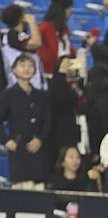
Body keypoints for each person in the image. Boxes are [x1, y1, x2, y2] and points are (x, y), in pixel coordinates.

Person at [0, 52, 51, 187]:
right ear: (14, 69)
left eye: (30, 66)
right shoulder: (8, 95)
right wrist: (6, 141)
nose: (27, 69)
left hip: (38, 149)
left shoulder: (41, 96)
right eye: (22, 65)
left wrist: (40, 139)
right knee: (22, 192)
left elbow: (47, 121)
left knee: (39, 188)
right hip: (19, 149)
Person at [2, 4, 47, 91]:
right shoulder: (13, 35)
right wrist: (32, 22)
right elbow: (37, 42)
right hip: (21, 85)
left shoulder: (17, 36)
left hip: (32, 84)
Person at [36, 0, 71, 81]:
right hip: (49, 75)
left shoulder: (65, 28)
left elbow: (67, 49)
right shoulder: (44, 27)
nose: (70, 12)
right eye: (69, 9)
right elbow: (39, 49)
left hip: (64, 73)